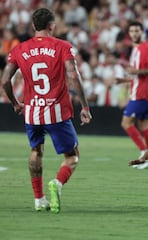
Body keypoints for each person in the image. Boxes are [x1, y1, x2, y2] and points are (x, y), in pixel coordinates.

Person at [1, 8, 92, 213]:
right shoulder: (62, 46)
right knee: (72, 156)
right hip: (57, 111)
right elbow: (73, 76)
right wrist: (85, 106)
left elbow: (5, 80)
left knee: (36, 151)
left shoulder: (19, 49)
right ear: (51, 25)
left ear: (34, 26)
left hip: (32, 112)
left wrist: (15, 103)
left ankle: (38, 199)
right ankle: (58, 183)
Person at [117, 21, 148, 169]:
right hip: (142, 91)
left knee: (126, 123)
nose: (134, 33)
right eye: (132, 31)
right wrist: (124, 79)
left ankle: (144, 154)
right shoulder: (135, 50)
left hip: (143, 92)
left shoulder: (146, 48)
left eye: (137, 31)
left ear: (142, 32)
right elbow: (137, 74)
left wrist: (137, 72)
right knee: (144, 126)